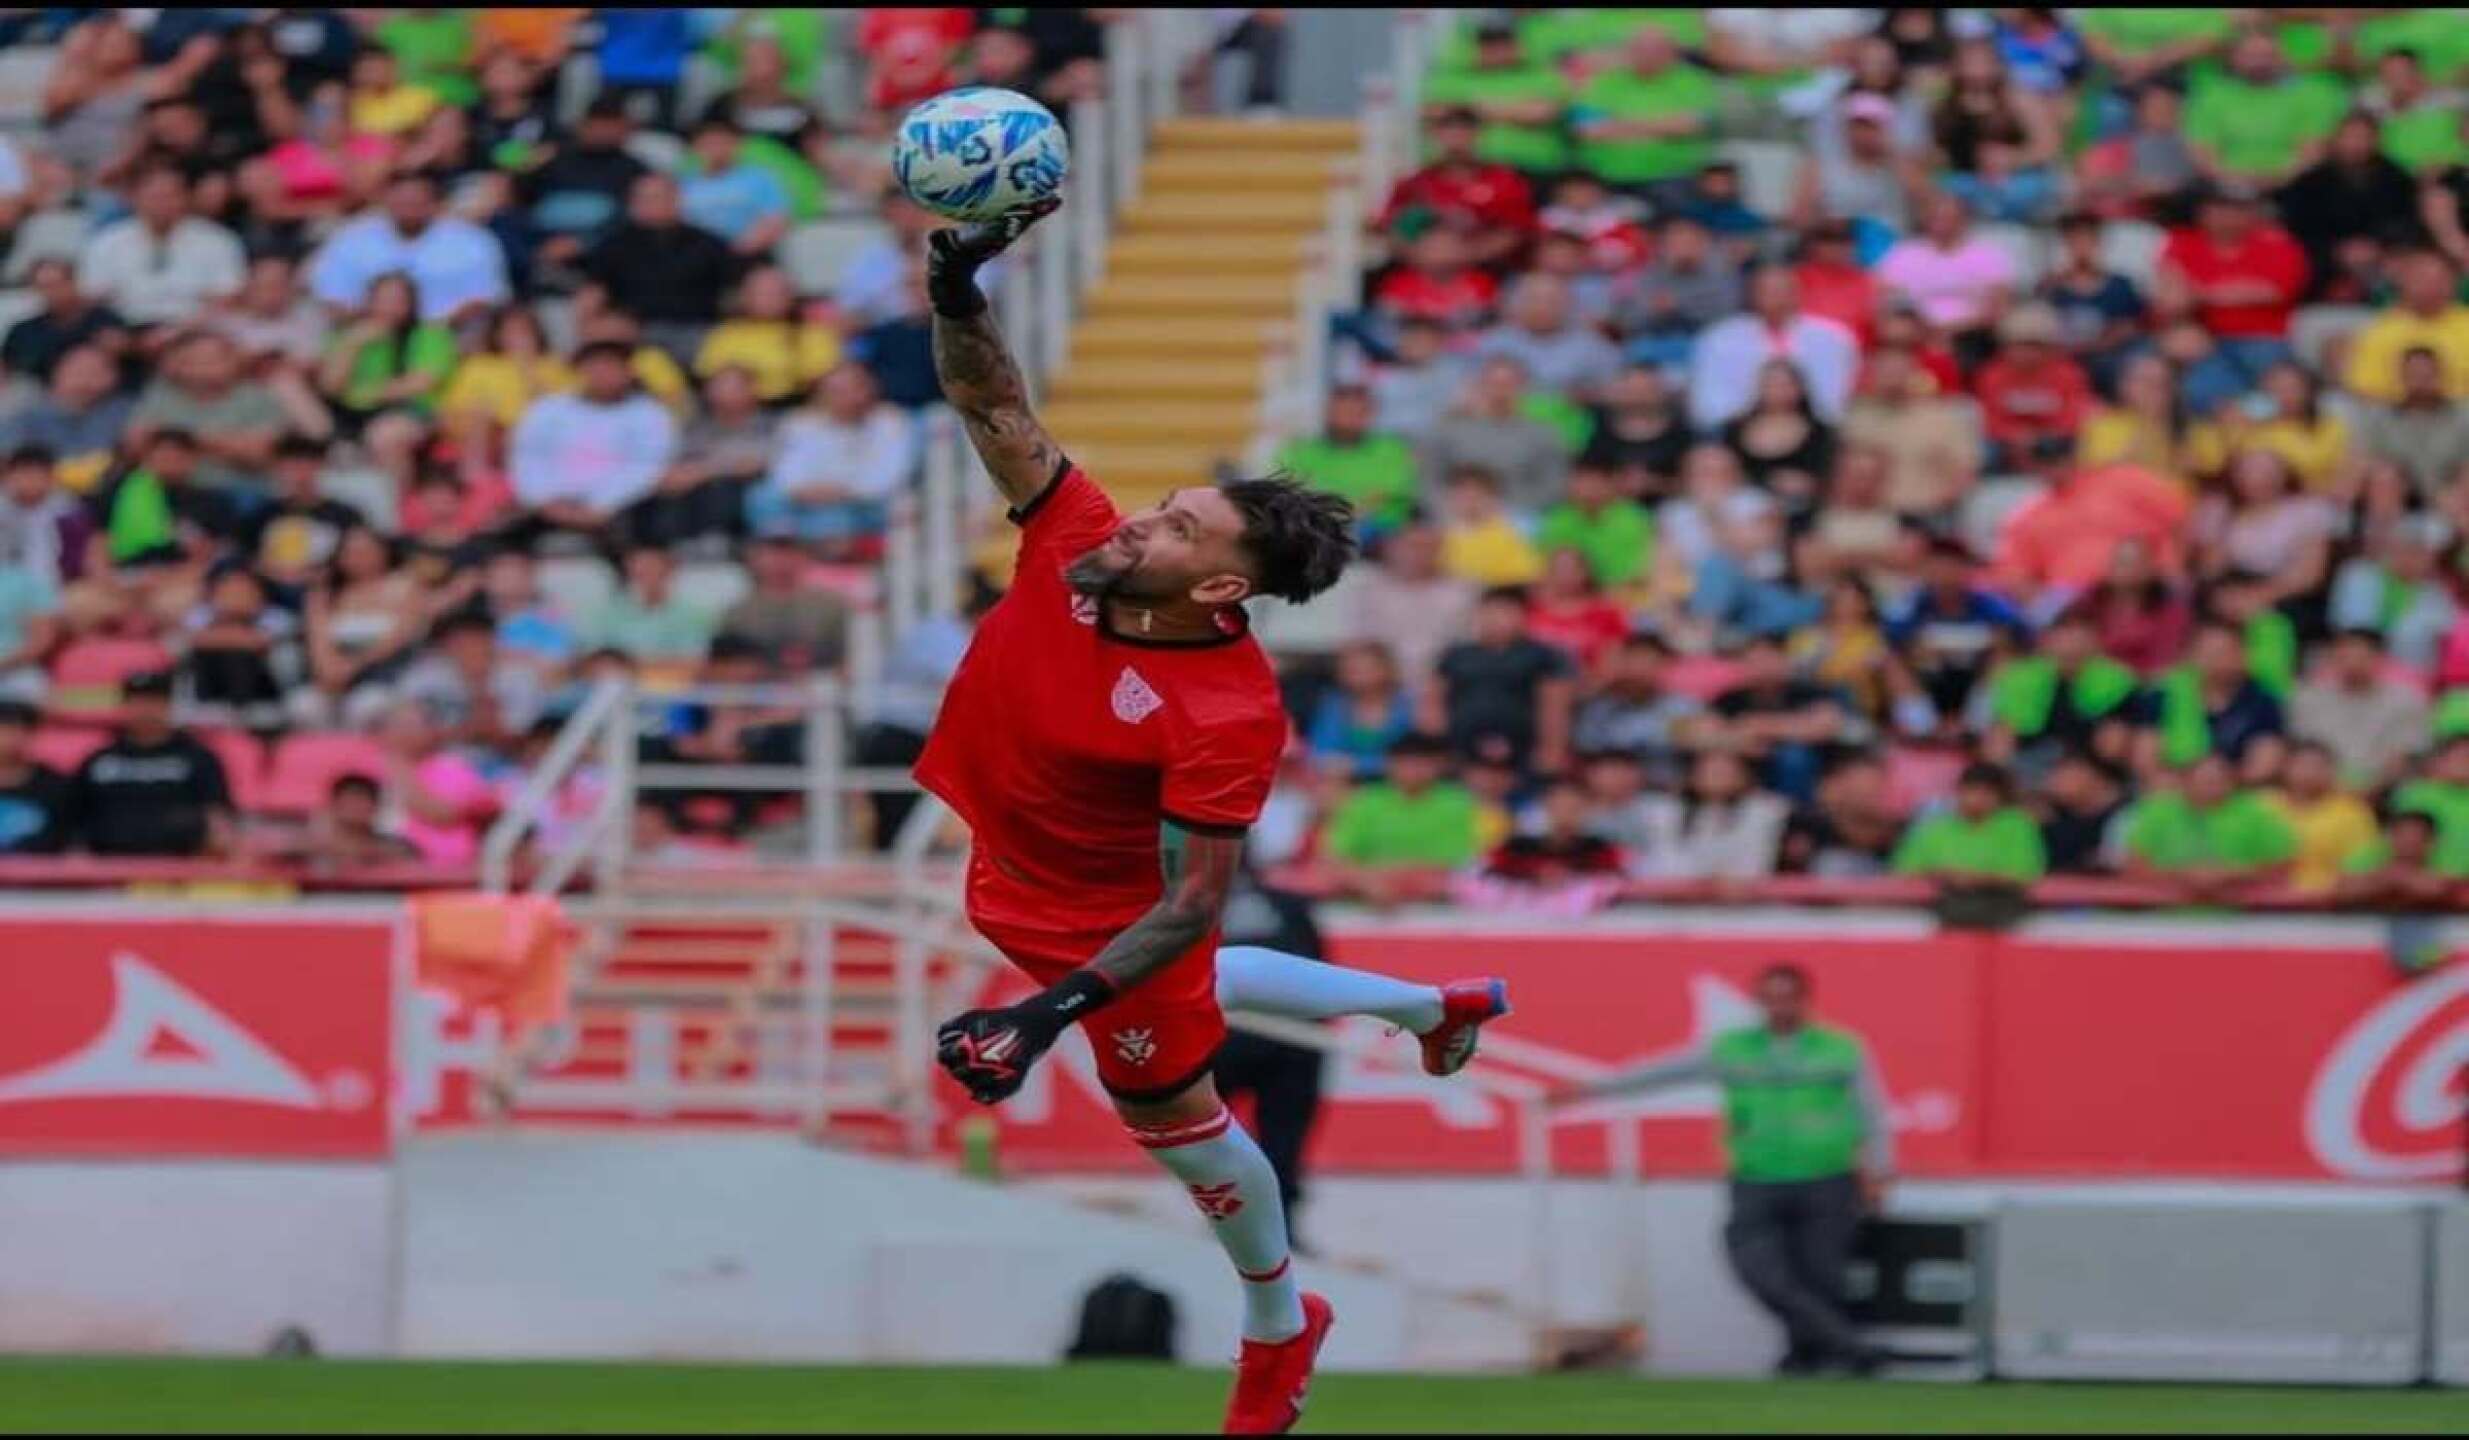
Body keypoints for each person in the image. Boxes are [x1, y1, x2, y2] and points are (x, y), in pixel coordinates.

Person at [911, 204, 1510, 1433]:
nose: (1142, 520)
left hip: (1111, 924)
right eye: (1163, 504)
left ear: (1224, 587)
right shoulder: (1077, 539)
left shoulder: (1227, 713)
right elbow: (996, 410)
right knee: (1207, 999)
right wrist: (957, 290)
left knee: (1180, 1134)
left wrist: (1046, 1014)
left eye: (1180, 527)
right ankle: (1428, 1007)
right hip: (1015, 877)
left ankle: (1282, 1327)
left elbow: (1191, 910)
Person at [1552, 962, 1894, 1377]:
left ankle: (1807, 1359)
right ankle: (1849, 1347)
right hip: (1755, 1177)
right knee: (1759, 1271)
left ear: (1806, 1000)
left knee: (1822, 1277)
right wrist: (1590, 1091)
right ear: (1758, 1002)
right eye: (1771, 997)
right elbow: (1659, 1072)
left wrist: (1880, 1172)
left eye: (1788, 997)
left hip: (1827, 1177)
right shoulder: (1733, 1048)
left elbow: (1872, 1113)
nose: (1780, 1006)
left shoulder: (1840, 1047)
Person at [68, 669, 234, 857]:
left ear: (169, 705)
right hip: (108, 868)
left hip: (178, 869)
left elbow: (217, 818)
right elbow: (75, 820)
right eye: (138, 702)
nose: (146, 710)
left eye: (154, 701)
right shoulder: (98, 761)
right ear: (125, 706)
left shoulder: (198, 758)